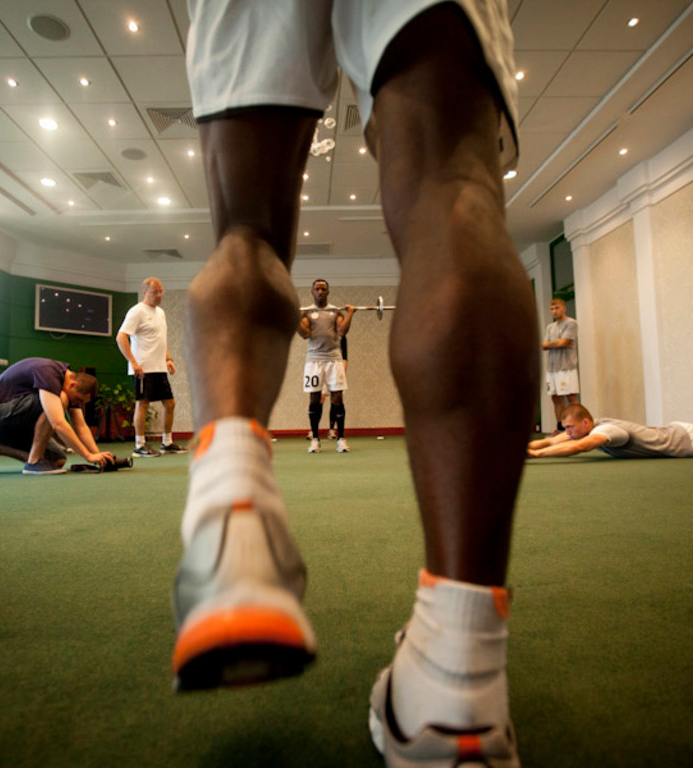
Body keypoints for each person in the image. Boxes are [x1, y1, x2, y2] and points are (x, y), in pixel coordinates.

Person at [174, 3, 537, 766]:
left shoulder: (333, 316)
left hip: (319, 355)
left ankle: (233, 525)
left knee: (246, 227)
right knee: (452, 183)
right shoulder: (319, 318)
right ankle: (456, 676)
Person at [0, 357, 114, 475]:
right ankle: (33, 461)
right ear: (73, 385)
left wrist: (99, 456)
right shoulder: (49, 372)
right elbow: (58, 423)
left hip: (11, 421)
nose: (77, 404)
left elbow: (81, 426)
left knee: (56, 460)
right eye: (78, 400)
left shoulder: (68, 386)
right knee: (60, 400)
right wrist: (88, 456)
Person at [116, 277, 187, 458]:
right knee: (143, 404)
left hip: (159, 367)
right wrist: (133, 362)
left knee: (170, 403)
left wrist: (168, 359)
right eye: (155, 292)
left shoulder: (160, 312)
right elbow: (121, 337)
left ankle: (167, 442)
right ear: (145, 292)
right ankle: (139, 445)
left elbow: (160, 339)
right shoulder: (136, 312)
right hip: (143, 368)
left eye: (161, 291)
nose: (159, 295)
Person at [297, 279, 355, 453]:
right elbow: (304, 334)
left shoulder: (335, 312)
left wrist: (350, 313)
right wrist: (296, 318)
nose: (320, 292)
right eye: (317, 289)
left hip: (334, 360)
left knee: (337, 398)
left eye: (323, 289)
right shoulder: (307, 313)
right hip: (314, 361)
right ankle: (315, 439)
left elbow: (342, 332)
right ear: (312, 292)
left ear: (328, 291)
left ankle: (341, 439)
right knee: (314, 399)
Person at [528, 403, 693, 459]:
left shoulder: (607, 430)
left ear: (586, 422)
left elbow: (578, 447)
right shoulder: (583, 430)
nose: (568, 433)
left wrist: (537, 455)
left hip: (687, 439)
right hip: (676, 432)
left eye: (570, 427)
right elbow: (550, 441)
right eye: (566, 428)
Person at [542, 297, 579, 434]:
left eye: (557, 308)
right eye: (552, 309)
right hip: (552, 368)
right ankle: (561, 427)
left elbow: (563, 343)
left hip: (566, 367)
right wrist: (556, 343)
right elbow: (544, 345)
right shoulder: (550, 327)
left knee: (570, 396)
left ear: (564, 308)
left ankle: (577, 426)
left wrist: (556, 343)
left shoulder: (571, 323)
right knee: (555, 397)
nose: (554, 311)